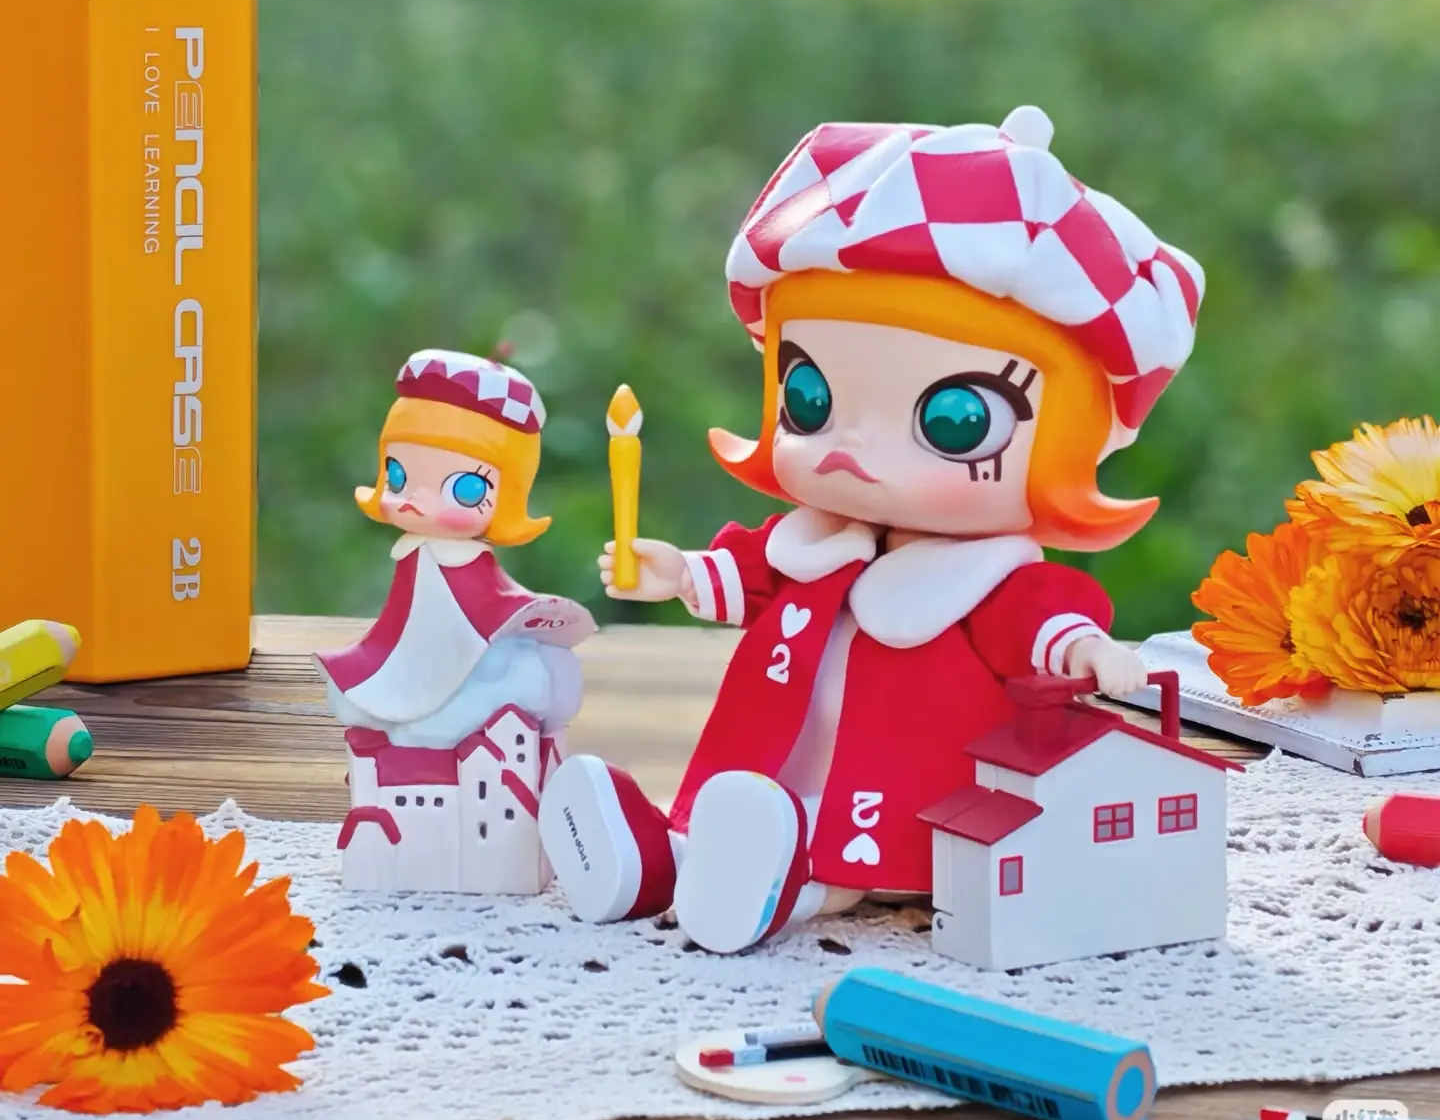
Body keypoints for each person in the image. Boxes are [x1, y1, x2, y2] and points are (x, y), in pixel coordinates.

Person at [539, 107, 1202, 952]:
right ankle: (650, 861)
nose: (853, 449)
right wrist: (677, 571)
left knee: (839, 855)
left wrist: (1088, 652)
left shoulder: (988, 578)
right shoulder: (816, 538)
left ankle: (787, 890)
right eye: (809, 397)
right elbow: (751, 573)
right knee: (732, 807)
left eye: (956, 420)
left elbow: (1043, 622)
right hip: (772, 756)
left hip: (895, 781)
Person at [317, 348, 592, 750]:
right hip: (413, 657)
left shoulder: (468, 562)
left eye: (465, 488)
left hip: (471, 660)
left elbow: (492, 603)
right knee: (358, 689)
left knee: (501, 679)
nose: (416, 501)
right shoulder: (413, 551)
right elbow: (399, 618)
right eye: (397, 476)